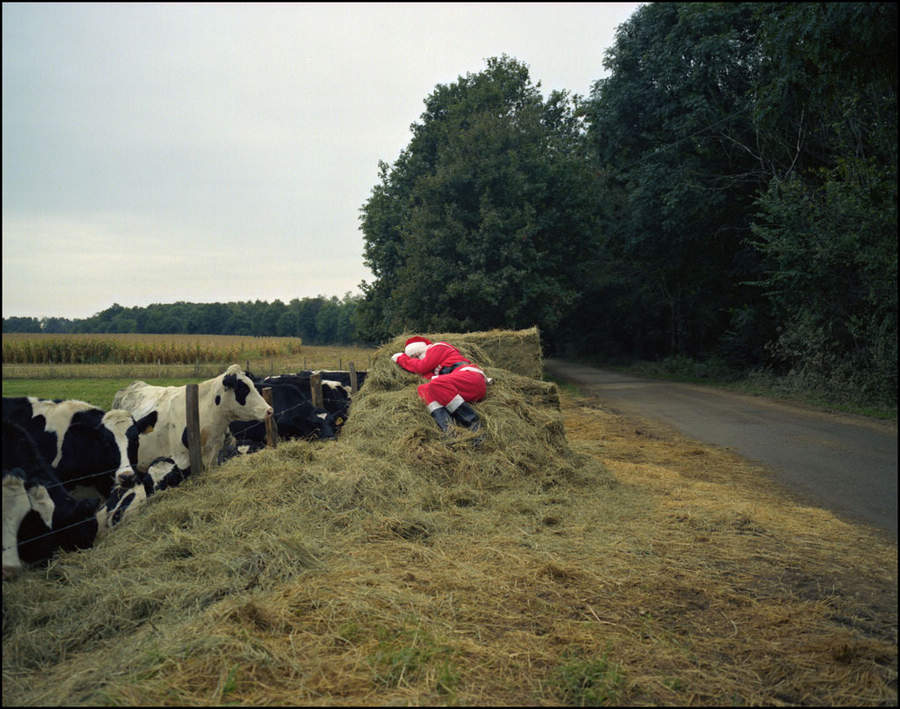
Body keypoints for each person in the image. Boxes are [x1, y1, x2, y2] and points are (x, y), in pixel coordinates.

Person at [391, 336, 487, 432]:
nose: (417, 359)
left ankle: (473, 424)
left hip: (471, 378)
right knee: (424, 389)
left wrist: (401, 358)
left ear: (421, 349)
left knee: (435, 383)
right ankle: (449, 430)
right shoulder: (434, 367)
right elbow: (425, 375)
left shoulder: (438, 347)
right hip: (458, 386)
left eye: (417, 355)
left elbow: (421, 367)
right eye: (413, 357)